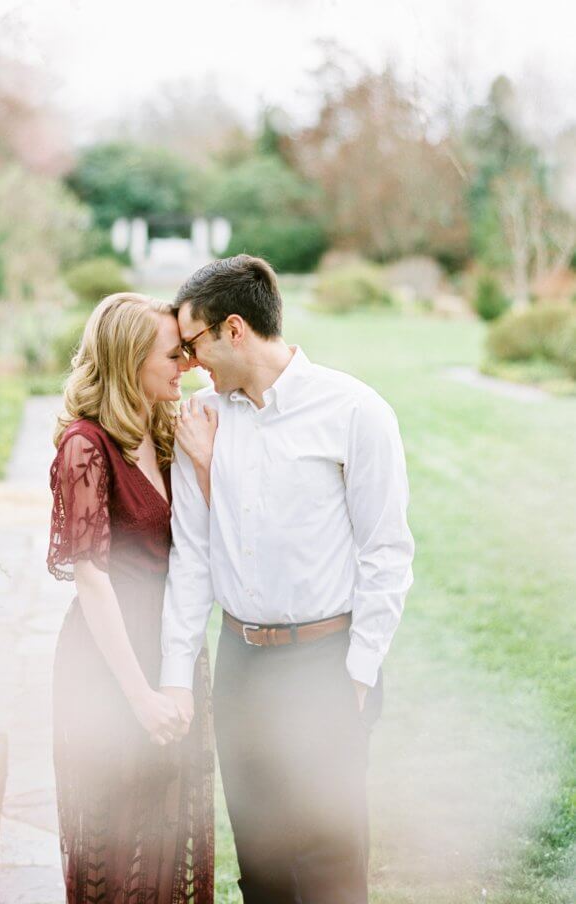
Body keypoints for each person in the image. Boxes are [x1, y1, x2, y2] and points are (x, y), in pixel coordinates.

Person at [160, 255, 415, 904]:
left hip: (324, 662)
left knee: (330, 863)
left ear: (235, 329)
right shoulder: (203, 420)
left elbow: (386, 552)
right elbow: (194, 555)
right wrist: (175, 673)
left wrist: (357, 674)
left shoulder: (355, 411)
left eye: (193, 344)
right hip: (241, 662)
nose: (188, 362)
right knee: (262, 862)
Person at [46, 292, 216, 904]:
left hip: (172, 646)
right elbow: (92, 579)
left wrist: (203, 466)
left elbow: (204, 545)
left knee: (169, 830)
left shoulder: (168, 431)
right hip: (109, 661)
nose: (187, 366)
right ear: (128, 360)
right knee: (117, 843)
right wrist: (138, 693)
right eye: (174, 355)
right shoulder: (86, 447)